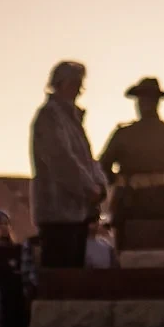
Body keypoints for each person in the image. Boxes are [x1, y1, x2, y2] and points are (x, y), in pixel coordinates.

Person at [31, 61, 107, 268]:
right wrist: (88, 188)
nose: (78, 91)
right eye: (74, 84)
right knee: (59, 279)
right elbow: (61, 159)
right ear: (61, 84)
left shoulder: (71, 120)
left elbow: (88, 160)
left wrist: (100, 184)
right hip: (58, 214)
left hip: (77, 214)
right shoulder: (50, 116)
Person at [99, 79, 164, 224]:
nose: (142, 104)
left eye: (146, 100)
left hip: (147, 199)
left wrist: (119, 180)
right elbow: (103, 165)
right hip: (138, 198)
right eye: (141, 100)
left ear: (156, 102)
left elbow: (103, 165)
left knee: (153, 241)